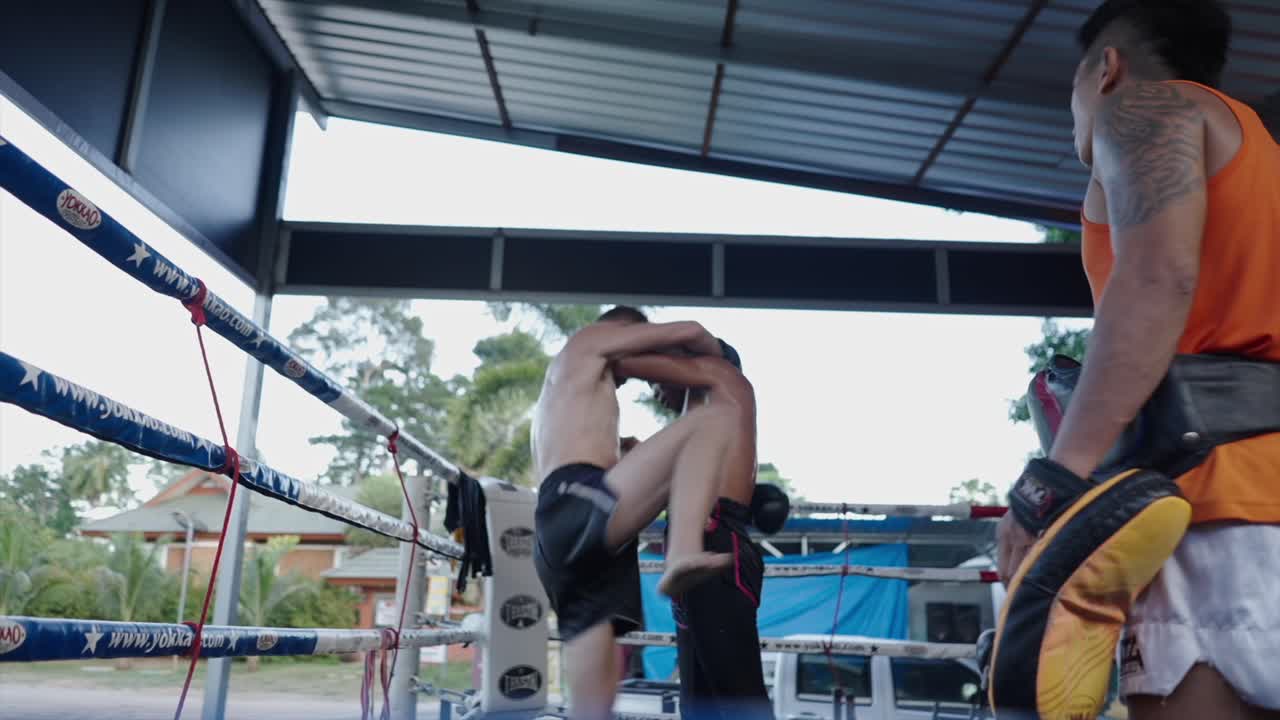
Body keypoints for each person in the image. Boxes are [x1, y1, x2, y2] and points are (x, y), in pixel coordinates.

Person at [996, 1, 1280, 717]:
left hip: (1217, 507)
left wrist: (1052, 483)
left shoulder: (1145, 110)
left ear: (1106, 68)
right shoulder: (1266, 157)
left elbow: (1155, 281)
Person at [531, 305, 740, 720]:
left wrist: (629, 454)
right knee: (717, 417)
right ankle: (681, 551)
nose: (633, 376)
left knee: (594, 708)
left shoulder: (572, 387)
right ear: (626, 331)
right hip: (578, 500)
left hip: (560, 527)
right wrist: (716, 359)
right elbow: (691, 329)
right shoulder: (590, 340)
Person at [614, 341, 772, 720]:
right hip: (696, 559)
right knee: (700, 703)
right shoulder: (701, 429)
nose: (655, 391)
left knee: (737, 696)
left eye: (662, 381)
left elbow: (639, 363)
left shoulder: (728, 381)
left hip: (718, 547)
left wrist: (596, 358)